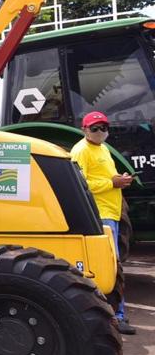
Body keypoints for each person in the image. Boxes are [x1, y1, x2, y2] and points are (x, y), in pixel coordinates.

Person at [70, 111, 135, 335]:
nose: (100, 132)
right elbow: (80, 183)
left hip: (112, 212)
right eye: (95, 128)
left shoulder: (103, 149)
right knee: (111, 266)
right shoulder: (81, 150)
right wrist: (112, 182)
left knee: (113, 265)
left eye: (104, 128)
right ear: (84, 130)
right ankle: (117, 315)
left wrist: (119, 180)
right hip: (101, 213)